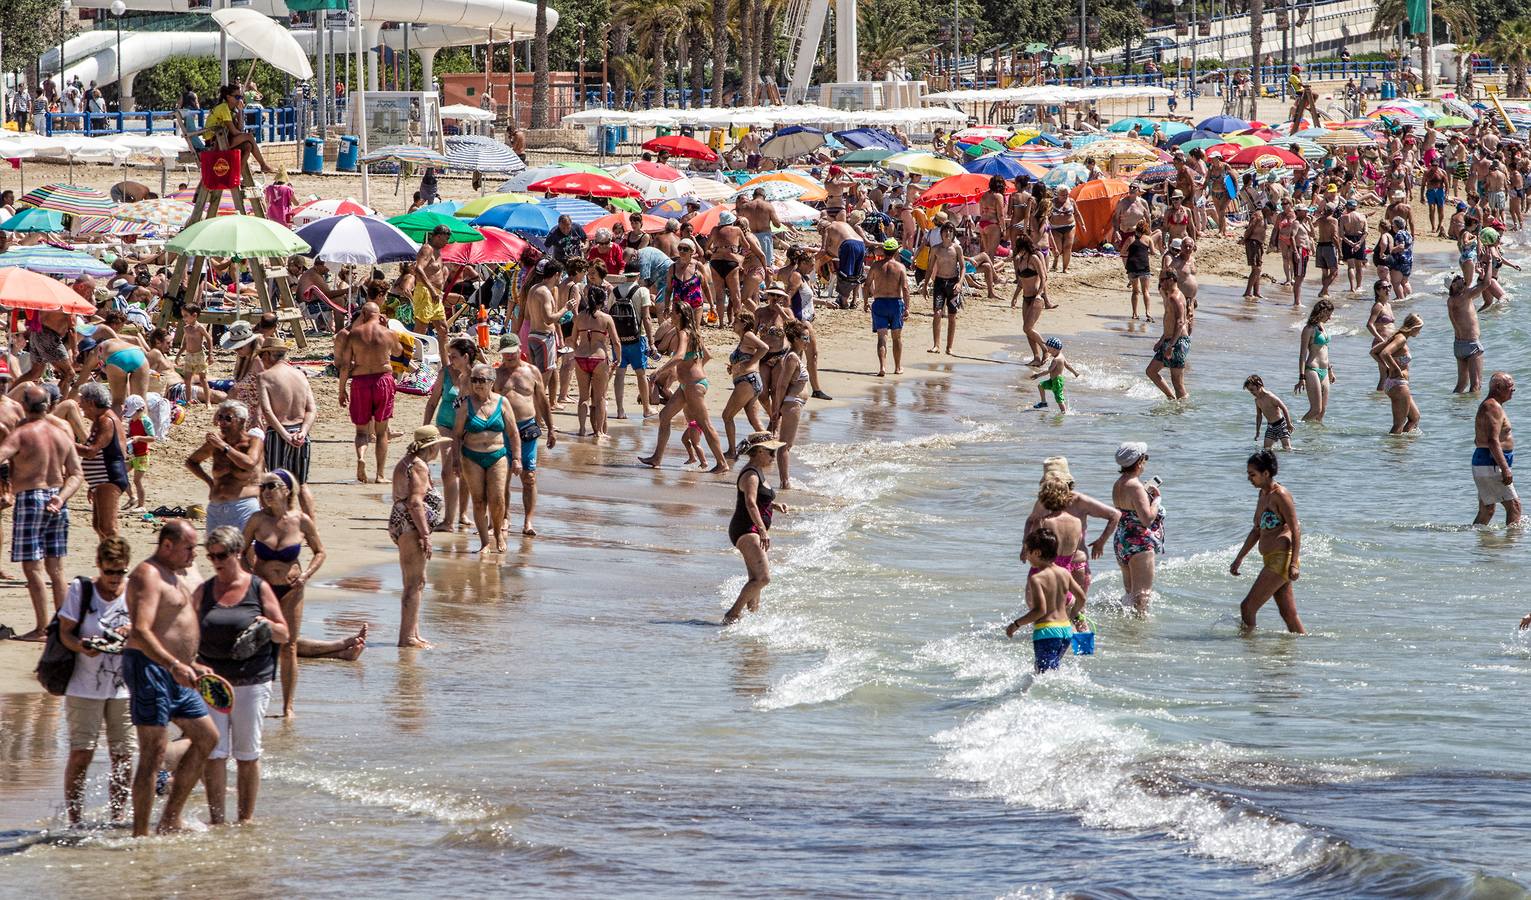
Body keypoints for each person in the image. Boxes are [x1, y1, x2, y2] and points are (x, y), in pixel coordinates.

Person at [124, 519, 219, 837]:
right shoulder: (147, 575)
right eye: (190, 548)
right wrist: (175, 663)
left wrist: (195, 663)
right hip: (150, 667)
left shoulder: (178, 573)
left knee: (207, 738)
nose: (196, 554)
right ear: (167, 546)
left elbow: (178, 624)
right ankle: (141, 834)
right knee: (154, 751)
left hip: (179, 670)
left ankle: (170, 818)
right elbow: (140, 630)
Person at [196, 525, 290, 825]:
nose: (216, 561)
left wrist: (266, 627)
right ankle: (218, 820)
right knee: (214, 753)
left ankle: (246, 820)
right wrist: (190, 664)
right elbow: (185, 630)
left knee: (247, 753)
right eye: (211, 556)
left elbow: (283, 634)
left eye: (221, 555)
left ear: (237, 553)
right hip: (213, 681)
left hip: (253, 680)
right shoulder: (205, 590)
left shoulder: (257, 588)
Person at [242, 467, 338, 718]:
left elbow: (320, 551)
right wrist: (250, 575)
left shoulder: (301, 520)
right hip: (263, 589)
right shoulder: (257, 520)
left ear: (287, 490)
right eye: (262, 488)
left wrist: (306, 575)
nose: (265, 493)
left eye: (271, 486)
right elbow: (240, 552)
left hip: (291, 589)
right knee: (257, 643)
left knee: (289, 646)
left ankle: (287, 707)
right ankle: (254, 699)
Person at [57, 536, 134, 826]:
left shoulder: (134, 592)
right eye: (109, 571)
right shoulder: (82, 590)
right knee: (81, 753)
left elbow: (148, 628)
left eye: (120, 572)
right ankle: (75, 818)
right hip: (83, 685)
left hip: (123, 687)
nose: (115, 578)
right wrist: (81, 646)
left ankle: (119, 814)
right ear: (99, 566)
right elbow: (65, 633)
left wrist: (130, 630)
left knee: (123, 755)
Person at [0, 384, 85, 641]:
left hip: (30, 497)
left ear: (24, 406)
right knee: (56, 568)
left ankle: (40, 628)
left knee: (32, 567)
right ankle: (60, 628)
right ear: (47, 406)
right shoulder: (61, 433)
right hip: (57, 498)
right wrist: (61, 498)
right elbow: (76, 474)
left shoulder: (23, 433)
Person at [639, 303, 728, 472]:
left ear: (680, 315)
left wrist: (659, 371)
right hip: (688, 385)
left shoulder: (682, 332)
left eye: (672, 313)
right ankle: (657, 458)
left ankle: (722, 463)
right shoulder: (694, 333)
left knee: (705, 424)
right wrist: (694, 369)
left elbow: (679, 356)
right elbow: (707, 356)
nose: (669, 315)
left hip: (693, 386)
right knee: (664, 416)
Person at [1229, 450, 1306, 634]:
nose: (1249, 479)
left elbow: (1296, 529)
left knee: (1247, 607)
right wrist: (1239, 558)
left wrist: (1294, 564)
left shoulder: (1281, 495)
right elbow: (1257, 530)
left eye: (1252, 474)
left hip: (1282, 559)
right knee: (1288, 613)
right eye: (1248, 474)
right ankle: (1302, 650)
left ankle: (1249, 648)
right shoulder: (1262, 495)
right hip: (1271, 558)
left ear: (1266, 473)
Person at [389, 427, 451, 647]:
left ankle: (413, 633)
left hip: (405, 524)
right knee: (414, 582)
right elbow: (415, 502)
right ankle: (407, 637)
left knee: (416, 581)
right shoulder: (418, 466)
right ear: (431, 446)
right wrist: (426, 535)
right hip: (411, 526)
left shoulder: (409, 461)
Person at [722, 432, 789, 625]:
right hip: (746, 529)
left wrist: (776, 505)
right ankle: (732, 614)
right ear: (759, 451)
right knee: (763, 578)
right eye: (770, 452)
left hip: (750, 528)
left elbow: (759, 500)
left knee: (755, 579)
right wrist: (762, 530)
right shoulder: (751, 474)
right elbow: (750, 503)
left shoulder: (757, 471)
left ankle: (752, 621)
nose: (773, 457)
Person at [453, 364, 520, 554]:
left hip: (497, 455)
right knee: (479, 500)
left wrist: (517, 458)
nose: (477, 384)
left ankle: (498, 533)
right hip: (471, 456)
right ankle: (484, 542)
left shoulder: (502, 402)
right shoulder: (466, 404)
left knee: (497, 498)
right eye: (473, 380)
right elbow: (457, 435)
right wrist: (455, 460)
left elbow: (513, 433)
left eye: (481, 380)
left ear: (492, 382)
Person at [495, 335, 556, 537]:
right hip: (502, 429)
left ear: (519, 348)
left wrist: (551, 428)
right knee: (502, 477)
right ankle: (505, 516)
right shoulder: (497, 374)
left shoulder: (531, 371)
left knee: (528, 477)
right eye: (505, 353)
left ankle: (528, 521)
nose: (509, 356)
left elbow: (543, 401)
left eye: (512, 351)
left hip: (527, 427)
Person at [1003, 527, 1085, 673]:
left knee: (1044, 675)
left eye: (1028, 552)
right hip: (1066, 630)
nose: (1027, 557)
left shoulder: (1037, 578)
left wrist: (1016, 624)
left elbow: (1040, 610)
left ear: (1037, 552)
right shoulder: (1064, 572)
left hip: (1047, 632)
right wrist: (1073, 615)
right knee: (1049, 671)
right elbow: (1082, 598)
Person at [337, 302, 403, 483]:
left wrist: (341, 390)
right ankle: (380, 475)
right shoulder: (388, 333)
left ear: (364, 314)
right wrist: (387, 327)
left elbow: (344, 365)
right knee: (381, 433)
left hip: (360, 381)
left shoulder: (354, 334)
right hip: (383, 380)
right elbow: (399, 352)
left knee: (361, 432)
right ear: (379, 315)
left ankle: (361, 457)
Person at [254, 337, 317, 519]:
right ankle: (310, 527)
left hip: (279, 434)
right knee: (302, 484)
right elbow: (311, 410)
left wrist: (284, 435)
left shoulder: (264, 377)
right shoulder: (300, 375)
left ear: (267, 355)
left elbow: (267, 411)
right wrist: (303, 432)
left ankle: (278, 523)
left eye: (262, 357)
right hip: (301, 433)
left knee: (274, 482)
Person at [422, 337, 478, 532]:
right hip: (445, 425)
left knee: (464, 473)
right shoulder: (445, 373)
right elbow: (432, 402)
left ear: (465, 357)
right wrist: (425, 429)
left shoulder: (476, 376)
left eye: (453, 356)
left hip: (469, 428)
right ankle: (448, 521)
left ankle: (462, 513)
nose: (450, 359)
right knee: (448, 471)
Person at [185, 399, 264, 536]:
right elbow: (191, 462)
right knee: (216, 552)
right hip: (216, 506)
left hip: (243, 505)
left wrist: (223, 446)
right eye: (220, 417)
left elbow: (249, 463)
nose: (222, 422)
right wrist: (210, 483)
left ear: (241, 421)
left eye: (228, 418)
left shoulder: (253, 441)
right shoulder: (216, 443)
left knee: (244, 552)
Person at [1112, 442, 1163, 615]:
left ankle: (1127, 631)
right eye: (1145, 458)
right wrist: (1156, 501)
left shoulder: (1118, 484)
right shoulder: (1136, 486)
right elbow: (1147, 519)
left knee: (1130, 593)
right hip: (1139, 542)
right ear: (1140, 462)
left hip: (1121, 539)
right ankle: (1139, 633)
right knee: (1143, 595)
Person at [75, 383, 130, 540]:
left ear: (91, 402)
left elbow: (91, 452)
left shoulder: (106, 420)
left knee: (108, 527)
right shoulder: (101, 420)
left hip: (109, 478)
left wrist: (65, 441)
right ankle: (108, 561)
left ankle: (118, 562)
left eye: (82, 401)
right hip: (102, 480)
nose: (80, 405)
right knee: (99, 526)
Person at [1473, 372, 1519, 527]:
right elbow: (1492, 441)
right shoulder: (1493, 406)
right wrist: (1505, 468)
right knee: (1514, 507)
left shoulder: (1491, 405)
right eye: (1510, 387)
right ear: (1498, 387)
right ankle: (1512, 547)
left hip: (1486, 462)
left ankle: (1477, 544)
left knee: (1487, 510)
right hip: (1491, 463)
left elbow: (1477, 439)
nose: (1513, 390)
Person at [201, 84, 273, 173]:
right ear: (228, 97)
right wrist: (245, 136)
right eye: (237, 97)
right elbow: (235, 132)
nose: (239, 99)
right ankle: (263, 165)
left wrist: (240, 111)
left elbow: (239, 128)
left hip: (223, 139)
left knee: (248, 146)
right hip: (214, 142)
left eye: (241, 97)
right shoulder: (223, 108)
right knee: (249, 136)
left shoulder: (231, 109)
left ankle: (238, 175)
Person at [1371, 313, 1423, 434]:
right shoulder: (1401, 338)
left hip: (1396, 383)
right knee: (1398, 424)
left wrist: (1387, 366)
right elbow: (1384, 353)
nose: (1419, 332)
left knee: (1414, 418)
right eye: (1419, 329)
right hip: (1398, 384)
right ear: (1414, 327)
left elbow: (1373, 352)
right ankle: (1393, 451)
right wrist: (1396, 369)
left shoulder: (1397, 336)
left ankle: (1400, 447)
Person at [865, 239, 908, 377]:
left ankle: (882, 367)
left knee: (882, 337)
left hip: (879, 303)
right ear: (896, 252)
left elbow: (866, 285)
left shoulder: (876, 266)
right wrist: (907, 307)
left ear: (883, 251)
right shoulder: (900, 267)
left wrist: (865, 301)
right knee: (897, 337)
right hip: (895, 304)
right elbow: (905, 289)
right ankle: (897, 367)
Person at [1146, 272, 1191, 400]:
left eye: (1163, 280)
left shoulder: (1175, 297)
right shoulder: (1170, 296)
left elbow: (1180, 322)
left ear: (1171, 279)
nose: (1160, 283)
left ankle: (1182, 412)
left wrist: (1171, 346)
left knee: (1177, 383)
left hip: (1178, 342)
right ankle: (1171, 398)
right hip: (1169, 339)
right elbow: (1170, 322)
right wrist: (1162, 341)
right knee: (1151, 371)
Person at [411, 226, 457, 349]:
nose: (447, 242)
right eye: (446, 239)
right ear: (438, 236)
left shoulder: (438, 251)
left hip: (435, 293)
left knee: (443, 329)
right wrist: (431, 289)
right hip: (426, 291)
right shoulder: (427, 249)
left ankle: (444, 358)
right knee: (421, 327)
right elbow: (418, 269)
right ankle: (410, 355)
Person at [1446, 274, 1492, 394]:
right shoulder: (1464, 296)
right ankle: (1474, 412)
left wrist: (1481, 275)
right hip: (1471, 344)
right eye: (1458, 278)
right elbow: (1487, 284)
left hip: (1458, 345)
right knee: (1476, 385)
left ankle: (1456, 410)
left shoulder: (1451, 300)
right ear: (1454, 285)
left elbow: (1478, 288)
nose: (1462, 278)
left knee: (1461, 385)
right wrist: (1490, 262)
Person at [1295, 299, 1335, 423]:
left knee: (1322, 411)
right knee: (1315, 409)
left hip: (1324, 370)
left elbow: (1325, 350)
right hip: (1312, 369)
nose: (1330, 317)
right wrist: (1301, 377)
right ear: (1322, 312)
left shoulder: (1323, 327)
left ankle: (1315, 439)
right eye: (1328, 314)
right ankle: (1296, 429)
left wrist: (1330, 370)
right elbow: (1302, 354)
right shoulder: (1308, 329)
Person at [927, 225, 964, 355]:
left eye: (950, 231)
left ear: (953, 233)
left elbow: (963, 267)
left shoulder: (957, 248)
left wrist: (959, 283)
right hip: (939, 283)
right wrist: (926, 285)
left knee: (952, 316)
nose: (947, 233)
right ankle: (936, 345)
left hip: (953, 283)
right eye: (945, 231)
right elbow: (930, 267)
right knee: (937, 313)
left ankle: (949, 347)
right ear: (941, 233)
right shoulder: (936, 249)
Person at [177, 303, 214, 408]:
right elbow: (185, 344)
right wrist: (178, 355)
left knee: (203, 378)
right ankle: (189, 400)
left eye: (185, 316)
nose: (184, 318)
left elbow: (209, 338)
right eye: (183, 316)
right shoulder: (186, 328)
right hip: (189, 355)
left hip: (198, 355)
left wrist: (210, 354)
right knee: (187, 379)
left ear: (194, 316)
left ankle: (208, 402)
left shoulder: (199, 327)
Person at [1243, 375, 1294, 451]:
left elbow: (1284, 408)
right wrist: (1257, 431)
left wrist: (1289, 424)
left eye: (1252, 389)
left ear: (1259, 385)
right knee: (1266, 449)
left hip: (1281, 425)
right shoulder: (1257, 400)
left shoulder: (1270, 396)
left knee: (1287, 449)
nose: (1251, 392)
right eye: (1250, 391)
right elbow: (1259, 416)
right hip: (1270, 427)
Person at [1030, 337, 1078, 412]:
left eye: (1049, 350)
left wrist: (1037, 375)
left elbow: (1049, 371)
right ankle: (1043, 403)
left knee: (1058, 398)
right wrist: (1075, 373)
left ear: (1056, 350)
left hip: (1057, 382)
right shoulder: (1061, 356)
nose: (1048, 352)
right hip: (1052, 380)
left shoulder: (1056, 360)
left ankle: (1064, 412)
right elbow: (1068, 365)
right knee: (1040, 385)